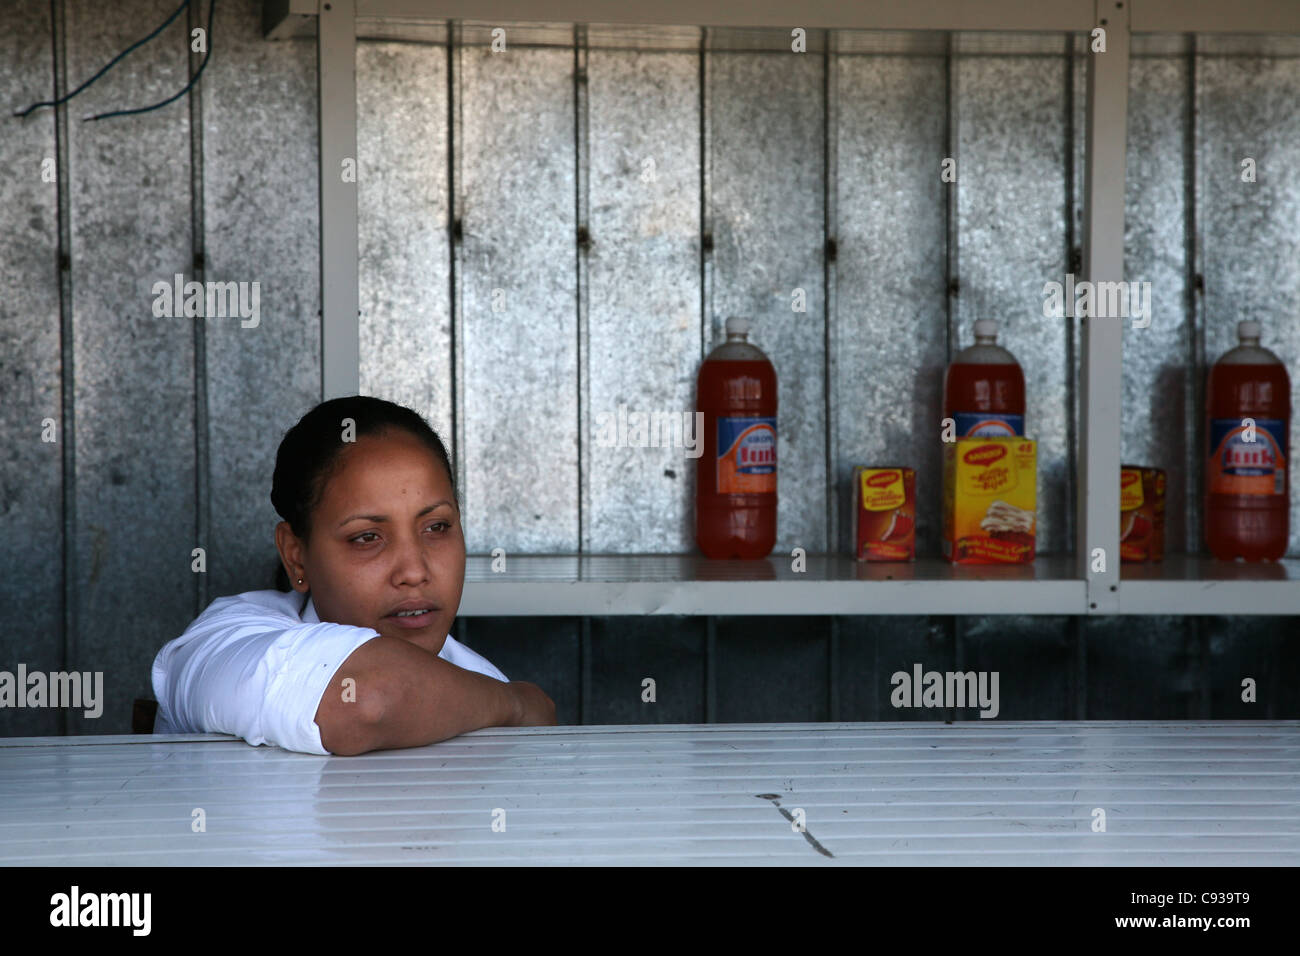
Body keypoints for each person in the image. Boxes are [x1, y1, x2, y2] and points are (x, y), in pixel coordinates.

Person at [151, 395, 556, 755]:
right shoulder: (224, 639)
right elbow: (364, 699)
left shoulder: (478, 679)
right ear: (296, 556)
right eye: (367, 537)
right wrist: (518, 704)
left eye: (436, 527)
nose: (414, 572)